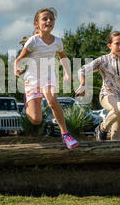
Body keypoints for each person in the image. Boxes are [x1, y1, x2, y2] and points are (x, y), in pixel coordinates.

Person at [14, 8, 79, 150]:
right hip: (32, 78)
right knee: (36, 120)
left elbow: (63, 57)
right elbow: (18, 59)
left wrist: (68, 73)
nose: (48, 21)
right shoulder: (33, 41)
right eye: (44, 19)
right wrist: (16, 68)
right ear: (36, 24)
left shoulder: (57, 42)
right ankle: (27, 103)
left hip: (48, 75)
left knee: (51, 100)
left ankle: (65, 134)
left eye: (51, 19)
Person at [76, 31, 120, 141]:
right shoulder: (103, 60)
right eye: (117, 43)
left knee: (116, 140)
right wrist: (83, 84)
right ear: (109, 45)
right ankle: (102, 128)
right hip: (107, 95)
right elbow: (82, 70)